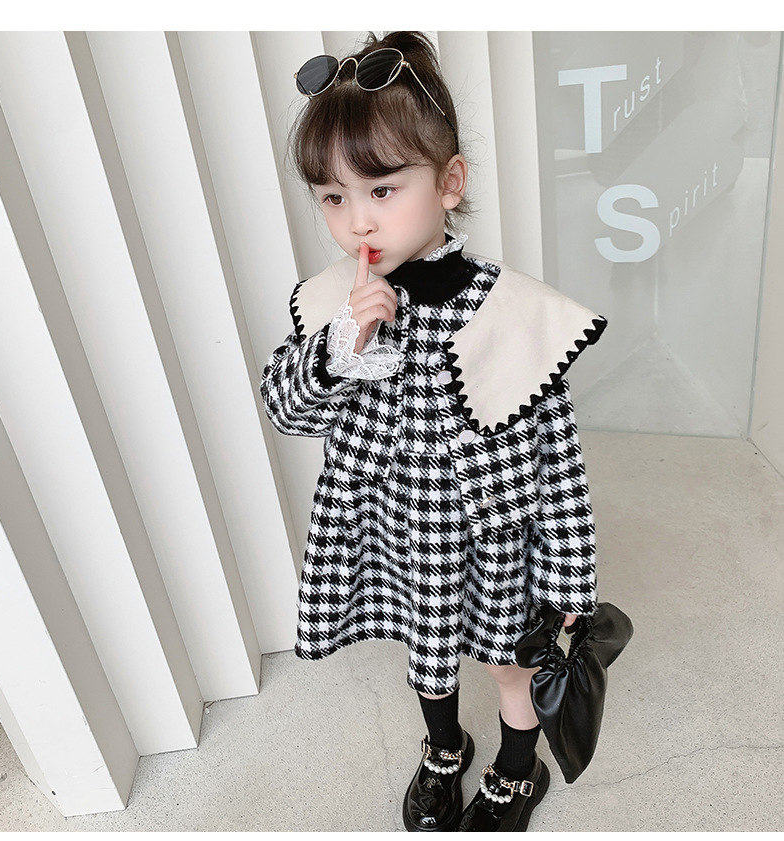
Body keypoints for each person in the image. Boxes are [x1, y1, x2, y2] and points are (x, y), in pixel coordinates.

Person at [260, 30, 608, 832]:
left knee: (510, 665)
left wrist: (570, 587)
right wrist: (340, 350)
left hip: (495, 539)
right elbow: (285, 409)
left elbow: (559, 464)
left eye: (382, 188)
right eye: (332, 197)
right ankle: (444, 748)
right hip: (399, 529)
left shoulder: (514, 312)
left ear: (449, 181)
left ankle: (517, 768)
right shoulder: (335, 306)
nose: (357, 220)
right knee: (429, 654)